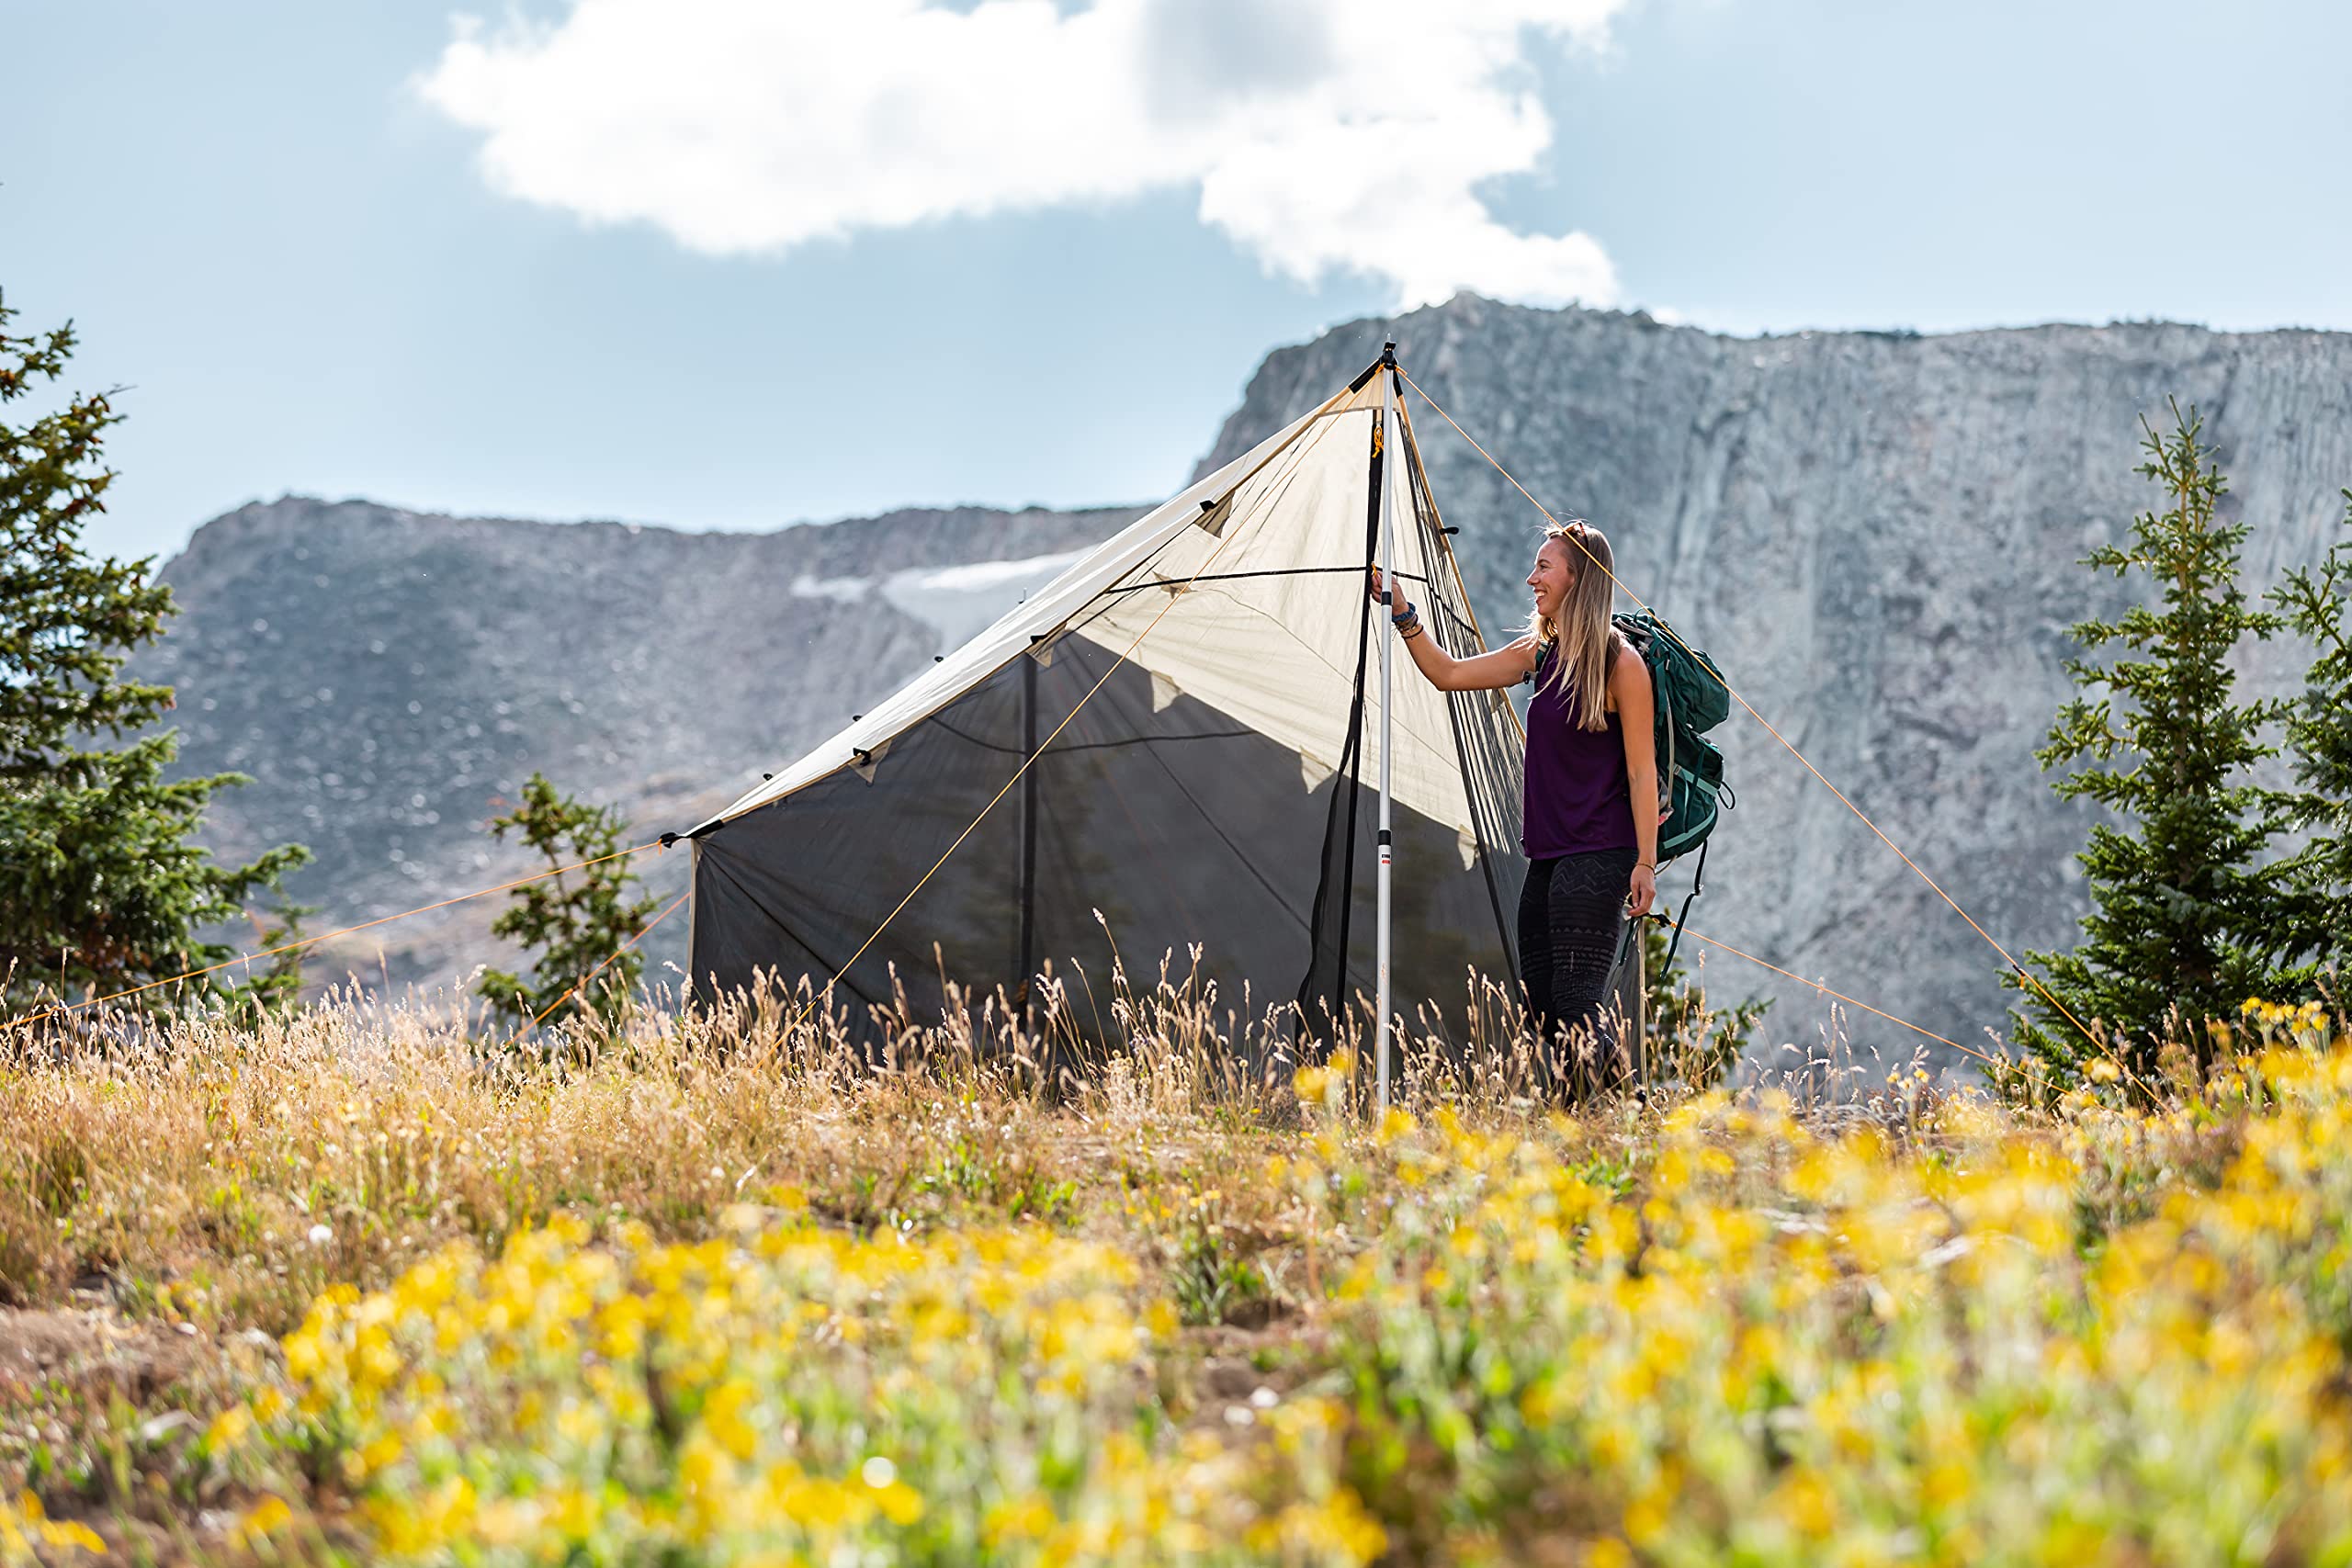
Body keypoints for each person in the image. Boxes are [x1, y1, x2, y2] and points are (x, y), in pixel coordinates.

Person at [1371, 519, 1657, 1094]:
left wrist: (1645, 865)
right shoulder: (1538, 654)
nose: (1532, 579)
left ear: (1579, 579)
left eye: (1545, 568)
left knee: (1578, 1006)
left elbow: (1641, 769)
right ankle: (1577, 1126)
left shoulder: (1622, 666)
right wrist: (1404, 613)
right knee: (1543, 1010)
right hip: (1548, 856)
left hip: (1601, 853)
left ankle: (1629, 1113)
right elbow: (1447, 674)